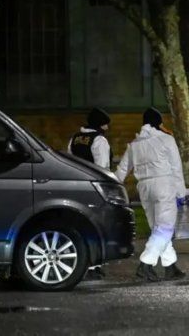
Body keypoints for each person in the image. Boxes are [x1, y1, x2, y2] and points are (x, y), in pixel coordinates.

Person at [115, 108, 186, 282]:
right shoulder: (166, 139)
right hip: (164, 185)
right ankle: (145, 264)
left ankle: (170, 266)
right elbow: (177, 168)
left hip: (144, 188)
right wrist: (181, 193)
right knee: (165, 228)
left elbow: (122, 170)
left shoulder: (134, 144)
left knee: (158, 228)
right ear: (158, 123)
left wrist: (112, 186)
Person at [68, 107, 112, 280]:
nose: (108, 128)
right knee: (97, 226)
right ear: (101, 124)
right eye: (106, 124)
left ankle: (82, 263)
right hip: (94, 188)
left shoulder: (75, 138)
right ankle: (94, 266)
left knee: (79, 225)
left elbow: (70, 161)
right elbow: (102, 167)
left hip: (76, 186)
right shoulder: (99, 140)